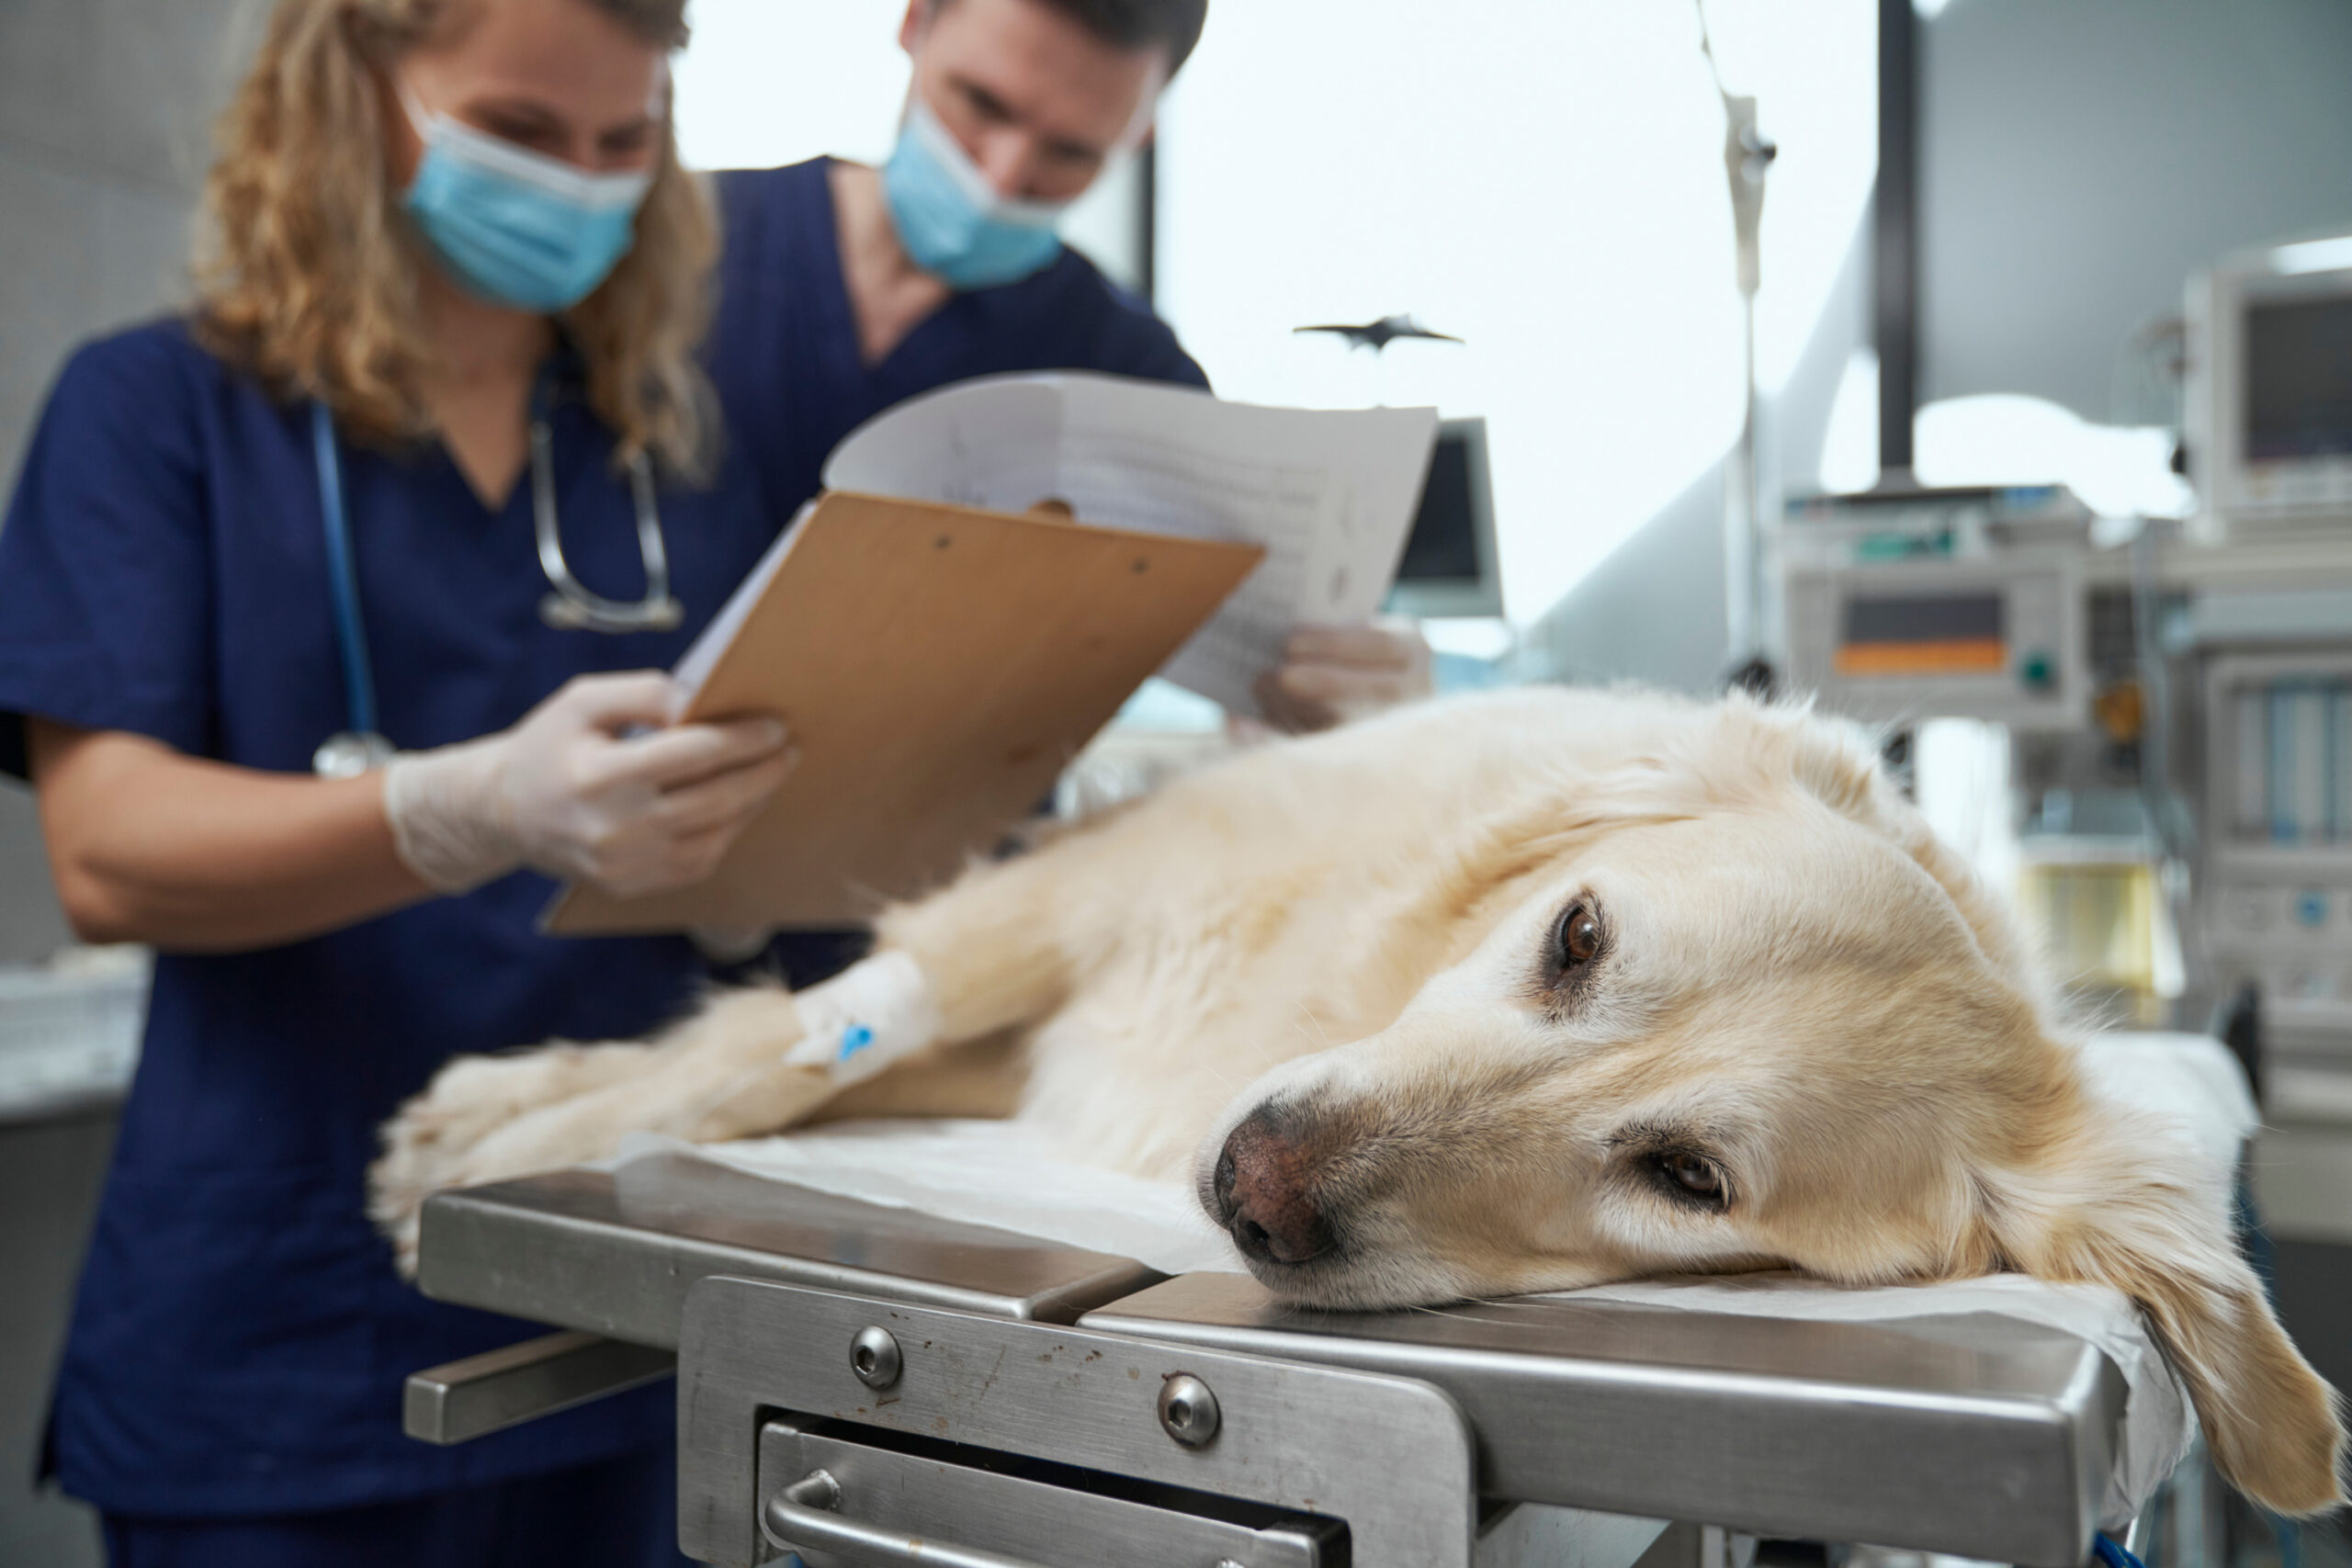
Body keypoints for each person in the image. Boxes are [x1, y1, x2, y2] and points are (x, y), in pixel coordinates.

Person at [0, 0, 793, 1562]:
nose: (577, 179)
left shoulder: (674, 465)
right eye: (517, 130)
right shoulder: (158, 411)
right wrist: (468, 806)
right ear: (349, 89)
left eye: (622, 141)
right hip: (276, 1343)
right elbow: (109, 855)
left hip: (619, 1310)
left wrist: (752, 888)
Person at [705, 0, 1434, 731]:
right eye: (981, 103)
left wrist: (1362, 693)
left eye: (1070, 153)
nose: (1000, 177)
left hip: (968, 844)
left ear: (1138, 136)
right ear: (914, 20)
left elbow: (1271, 673)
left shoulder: (1131, 374)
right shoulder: (674, 250)